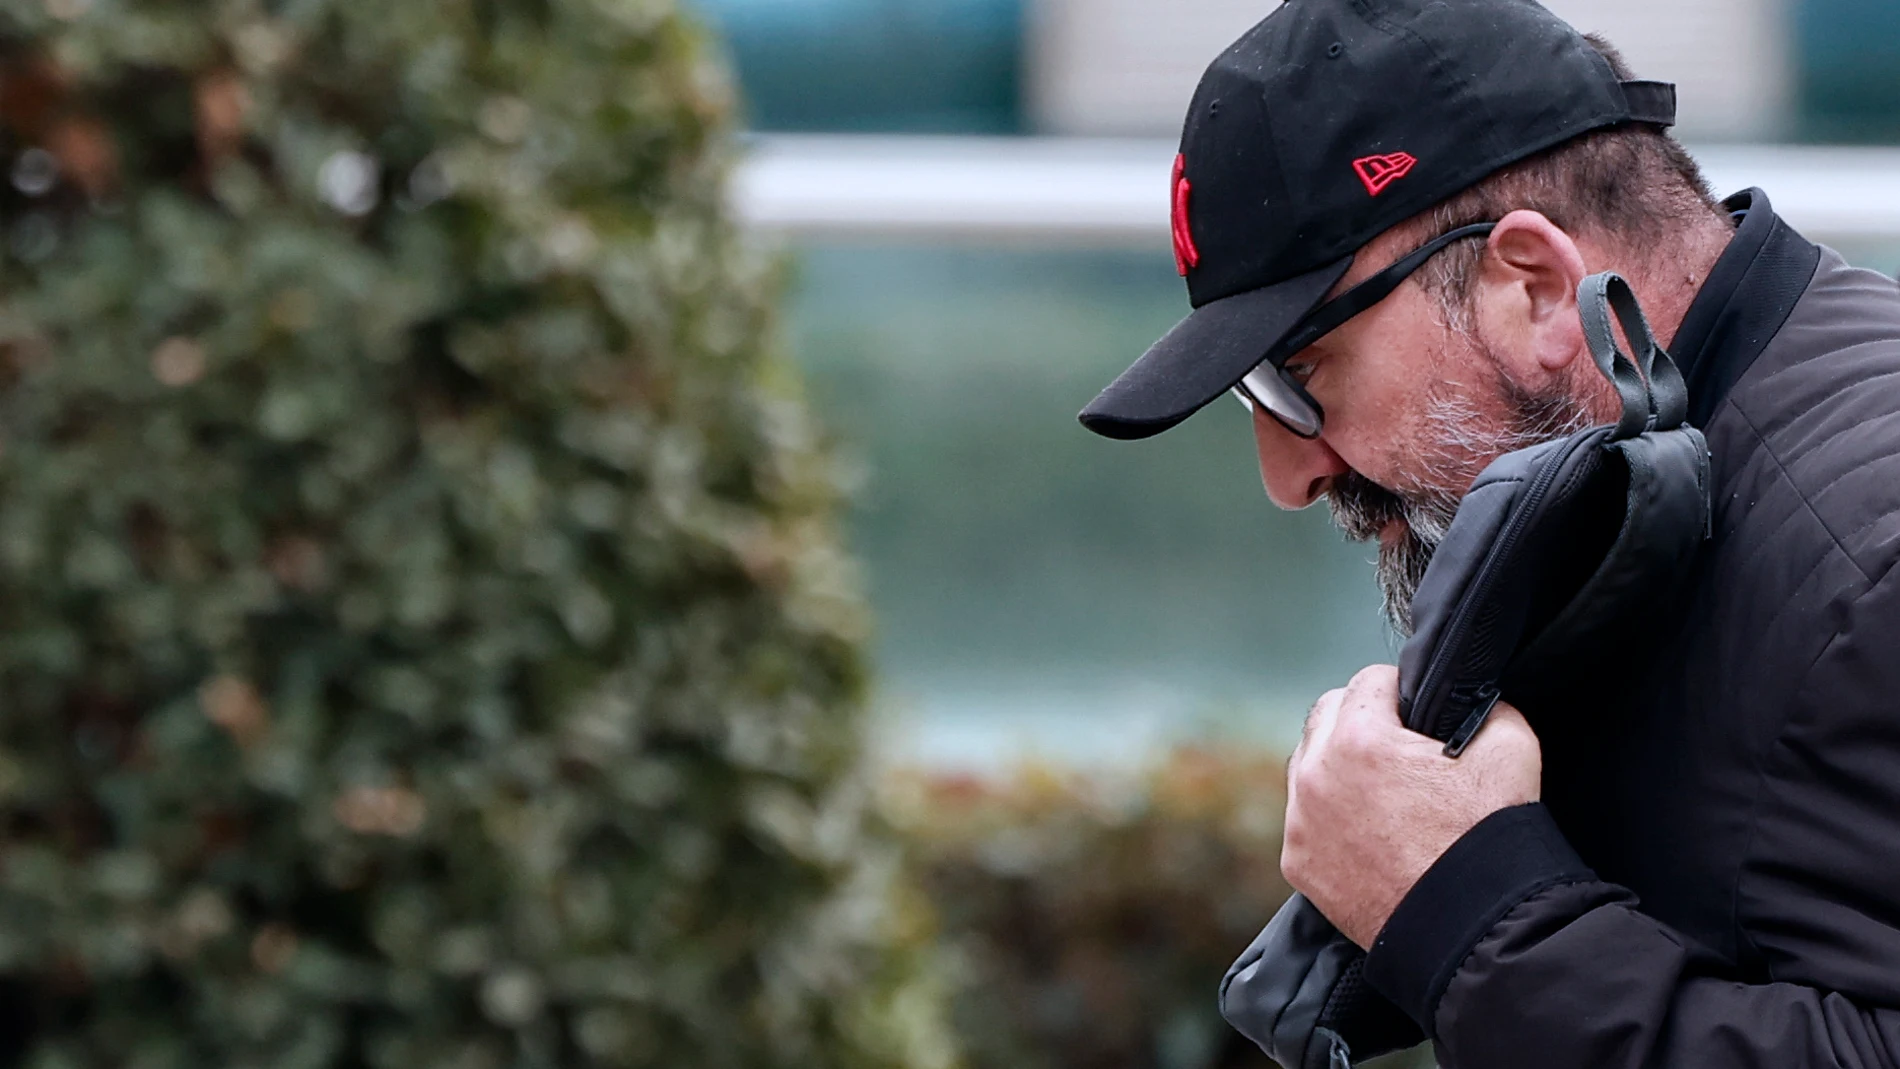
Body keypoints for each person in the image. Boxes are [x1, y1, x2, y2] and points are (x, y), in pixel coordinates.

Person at [1077, 0, 1900, 1065]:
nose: (1289, 473)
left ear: (1534, 287)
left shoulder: (1869, 567)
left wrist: (1470, 909)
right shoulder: (1630, 514)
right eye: (1256, 394)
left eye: (1304, 372)